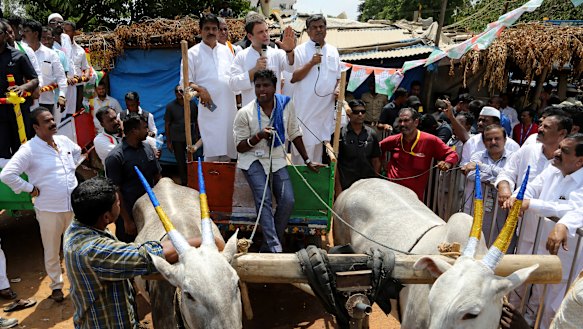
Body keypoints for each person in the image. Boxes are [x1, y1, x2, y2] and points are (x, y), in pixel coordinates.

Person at [64, 177, 223, 328]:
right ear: (106, 217)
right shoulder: (93, 251)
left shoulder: (78, 227)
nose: (120, 204)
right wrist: (205, 241)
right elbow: (147, 256)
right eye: (117, 203)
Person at [233, 69, 321, 252]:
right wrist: (258, 136)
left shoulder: (286, 104)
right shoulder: (245, 113)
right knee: (263, 198)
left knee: (288, 200)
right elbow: (240, 147)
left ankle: (269, 244)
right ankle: (275, 247)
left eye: (266, 85)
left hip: (277, 158)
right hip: (252, 159)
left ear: (275, 87)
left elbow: (294, 133)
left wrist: (307, 160)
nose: (261, 90)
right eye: (258, 86)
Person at [0, 107, 81, 303]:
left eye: (52, 119)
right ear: (36, 127)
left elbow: (77, 152)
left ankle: (78, 284)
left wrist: (70, 171)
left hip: (73, 206)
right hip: (49, 210)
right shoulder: (29, 149)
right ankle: (56, 286)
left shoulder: (62, 141)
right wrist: (29, 188)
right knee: (52, 249)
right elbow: (7, 174)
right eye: (47, 121)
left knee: (75, 248)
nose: (53, 123)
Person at [507, 134, 583, 328]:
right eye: (559, 147)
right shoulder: (552, 169)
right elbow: (531, 187)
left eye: (564, 151)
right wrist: (518, 198)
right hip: (542, 248)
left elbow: (574, 208)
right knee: (535, 299)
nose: (556, 153)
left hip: (567, 258)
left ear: (579, 161)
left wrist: (560, 223)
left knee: (553, 309)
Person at [180, 13, 237, 162]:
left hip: (229, 106)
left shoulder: (226, 51)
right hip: (210, 107)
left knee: (228, 152)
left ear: (218, 31)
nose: (211, 32)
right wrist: (201, 90)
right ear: (200, 31)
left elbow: (233, 77)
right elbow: (185, 83)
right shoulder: (191, 53)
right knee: (212, 150)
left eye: (214, 28)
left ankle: (224, 184)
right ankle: (210, 184)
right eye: (207, 28)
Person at [290, 14, 341, 164]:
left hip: (324, 116)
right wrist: (311, 63)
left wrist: (337, 88)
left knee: (318, 159)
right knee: (301, 160)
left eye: (321, 26)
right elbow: (293, 77)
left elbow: (338, 77)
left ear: (326, 29)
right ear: (307, 31)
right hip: (304, 115)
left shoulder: (333, 51)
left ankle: (313, 188)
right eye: (314, 27)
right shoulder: (299, 51)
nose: (318, 30)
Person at [496, 110, 572, 208]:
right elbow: (507, 172)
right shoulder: (528, 150)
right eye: (541, 125)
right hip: (519, 217)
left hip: (547, 221)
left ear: (562, 133)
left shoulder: (569, 162)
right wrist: (504, 186)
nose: (540, 129)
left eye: (546, 127)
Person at [105, 113, 162, 243]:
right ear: (134, 131)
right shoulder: (115, 157)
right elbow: (116, 192)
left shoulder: (147, 148)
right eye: (144, 127)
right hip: (130, 214)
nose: (147, 131)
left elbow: (157, 175)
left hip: (150, 211)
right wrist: (127, 220)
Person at [379, 107, 459, 200]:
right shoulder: (395, 139)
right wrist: (383, 162)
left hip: (413, 198)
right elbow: (377, 148)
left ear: (416, 122)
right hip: (392, 194)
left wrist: (447, 163)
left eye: (406, 120)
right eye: (400, 121)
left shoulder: (429, 140)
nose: (402, 124)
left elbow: (452, 154)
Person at [229, 15, 295, 107]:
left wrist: (289, 51)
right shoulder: (241, 56)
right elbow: (233, 85)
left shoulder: (277, 53)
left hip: (274, 113)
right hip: (251, 114)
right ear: (250, 36)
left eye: (266, 31)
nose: (265, 35)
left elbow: (291, 67)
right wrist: (254, 71)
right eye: (260, 32)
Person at [462, 125, 512, 242]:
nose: (493, 142)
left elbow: (509, 174)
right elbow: (471, 175)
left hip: (503, 210)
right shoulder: (477, 156)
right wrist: (498, 181)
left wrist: (481, 167)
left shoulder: (513, 157)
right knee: (478, 240)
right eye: (489, 139)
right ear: (484, 142)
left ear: (505, 140)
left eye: (497, 138)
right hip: (481, 206)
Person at [0, 20, 39, 162]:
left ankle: (26, 181)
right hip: (0, 113)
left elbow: (35, 79)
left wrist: (23, 87)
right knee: (2, 151)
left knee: (21, 149)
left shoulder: (19, 56)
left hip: (18, 112)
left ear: (5, 35)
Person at [335, 99, 381, 195]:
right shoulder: (339, 135)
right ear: (349, 114)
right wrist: (337, 187)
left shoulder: (371, 134)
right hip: (347, 185)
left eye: (363, 112)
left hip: (367, 185)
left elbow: (376, 161)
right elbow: (335, 164)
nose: (360, 114)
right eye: (356, 112)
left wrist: (376, 183)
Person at [21, 19, 67, 114]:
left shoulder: (51, 54)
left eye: (26, 31)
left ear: (35, 34)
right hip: (25, 101)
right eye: (22, 31)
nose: (23, 34)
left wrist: (62, 95)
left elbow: (61, 76)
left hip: (46, 101)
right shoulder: (20, 52)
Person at [164, 85, 200, 186]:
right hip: (177, 138)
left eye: (181, 91)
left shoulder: (192, 105)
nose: (179, 93)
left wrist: (197, 136)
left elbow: (196, 121)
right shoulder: (170, 106)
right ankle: (184, 183)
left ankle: (194, 181)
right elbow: (167, 124)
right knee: (180, 162)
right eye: (176, 91)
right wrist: (169, 141)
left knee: (192, 160)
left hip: (191, 137)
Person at [62, 21, 91, 118]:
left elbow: (86, 67)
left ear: (74, 32)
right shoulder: (58, 49)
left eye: (68, 31)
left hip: (78, 85)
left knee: (76, 111)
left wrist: (86, 75)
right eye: (64, 31)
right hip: (65, 86)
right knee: (63, 112)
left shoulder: (80, 50)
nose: (65, 34)